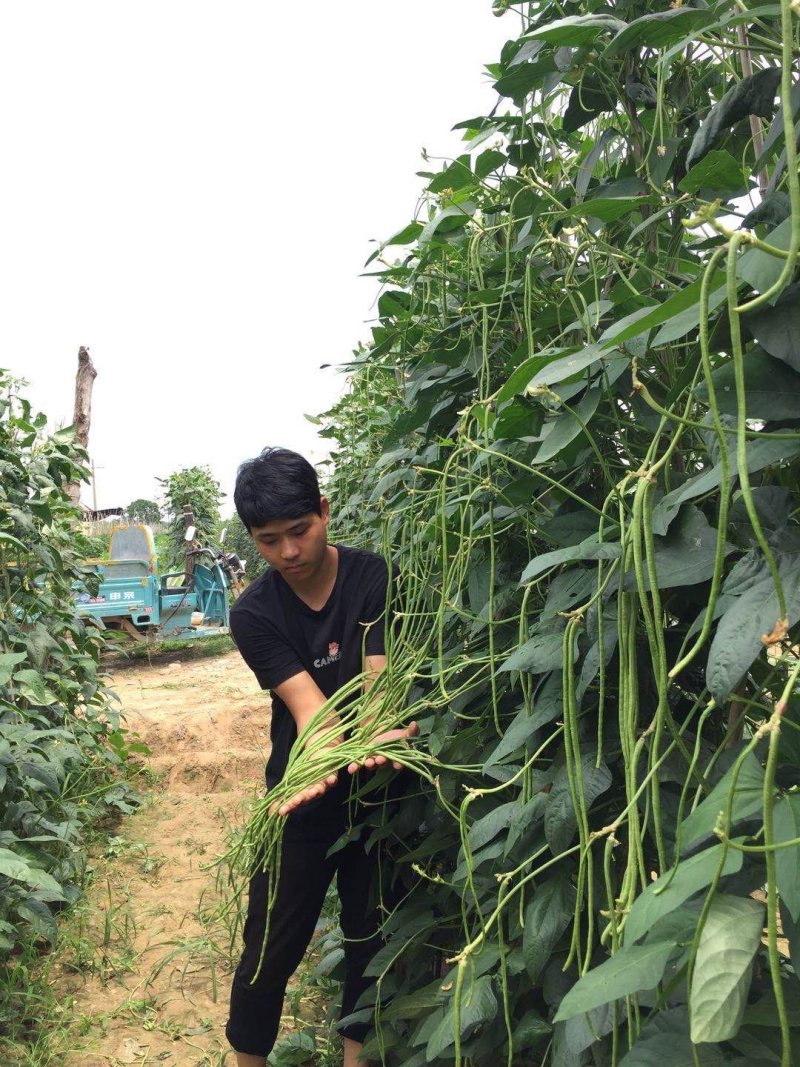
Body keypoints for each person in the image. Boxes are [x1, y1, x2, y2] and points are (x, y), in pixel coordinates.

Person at [225, 447, 418, 1067]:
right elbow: (314, 712)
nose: (288, 553)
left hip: (379, 795)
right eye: (269, 540)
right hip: (300, 794)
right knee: (268, 950)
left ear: (324, 511)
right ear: (253, 538)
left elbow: (379, 686)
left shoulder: (372, 577)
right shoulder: (253, 613)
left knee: (371, 937)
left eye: (300, 531)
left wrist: (389, 724)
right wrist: (327, 762)